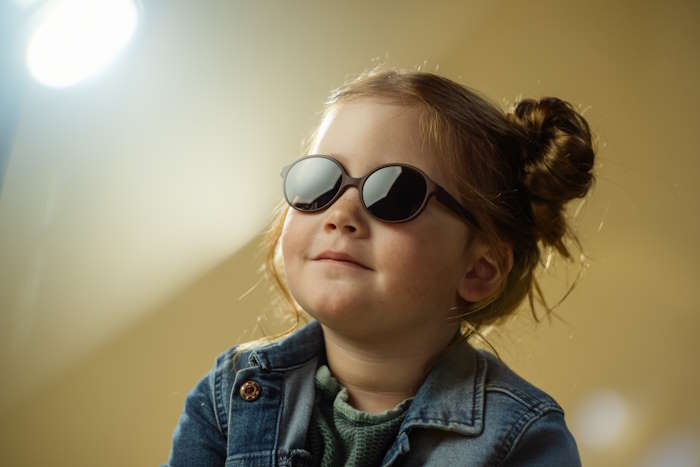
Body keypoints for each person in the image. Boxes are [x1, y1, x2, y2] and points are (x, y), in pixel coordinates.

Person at [163, 68, 595, 466]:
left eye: (394, 192)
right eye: (320, 181)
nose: (341, 212)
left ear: (478, 269)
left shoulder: (522, 438)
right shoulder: (229, 400)